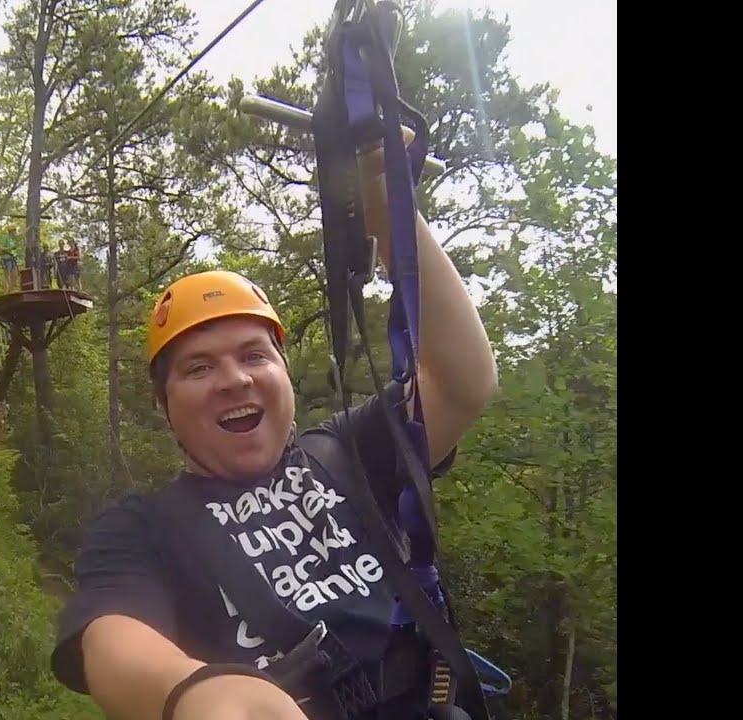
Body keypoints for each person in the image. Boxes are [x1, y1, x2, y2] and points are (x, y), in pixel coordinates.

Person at [50, 129, 498, 720]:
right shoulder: (141, 529)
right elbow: (109, 638)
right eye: (199, 367)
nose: (234, 379)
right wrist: (195, 692)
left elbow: (463, 381)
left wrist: (389, 204)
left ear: (284, 375)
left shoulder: (350, 453)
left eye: (255, 356)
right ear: (165, 406)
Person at [0, 226, 20, 292]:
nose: (15, 232)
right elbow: (1, 248)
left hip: (12, 258)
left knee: (15, 275)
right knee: (7, 275)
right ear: (11, 231)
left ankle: (9, 291)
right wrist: (10, 248)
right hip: (6, 257)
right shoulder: (5, 238)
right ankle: (6, 292)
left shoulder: (12, 239)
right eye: (14, 231)